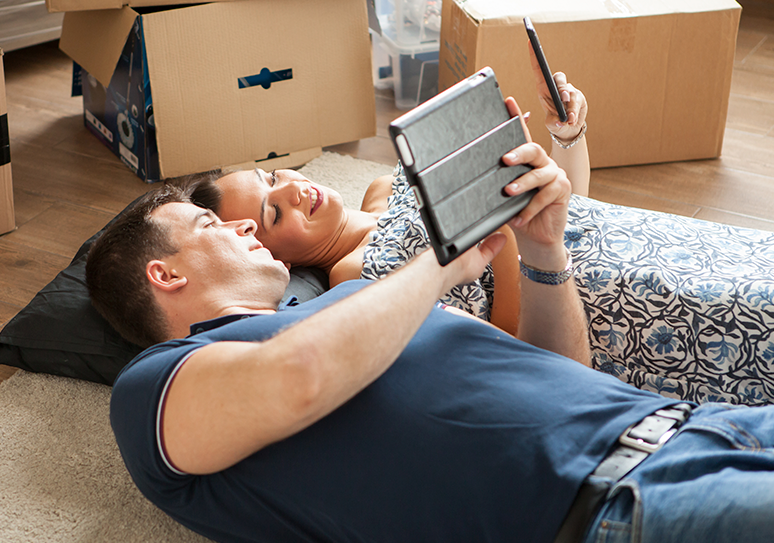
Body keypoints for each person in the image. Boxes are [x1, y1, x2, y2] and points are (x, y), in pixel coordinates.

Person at [87, 134, 774, 543]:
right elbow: (295, 377)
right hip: (614, 507)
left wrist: (541, 250)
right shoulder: (153, 385)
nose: (243, 227)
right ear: (164, 274)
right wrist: (440, 263)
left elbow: (559, 369)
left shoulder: (358, 300)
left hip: (703, 425)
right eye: (213, 227)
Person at [208, 55, 774, 407]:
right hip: (609, 302)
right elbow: (504, 338)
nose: (289, 190)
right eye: (272, 213)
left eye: (273, 175)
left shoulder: (383, 187)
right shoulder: (355, 278)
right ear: (269, 251)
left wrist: (564, 141)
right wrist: (506, 227)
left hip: (634, 234)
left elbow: (568, 205)